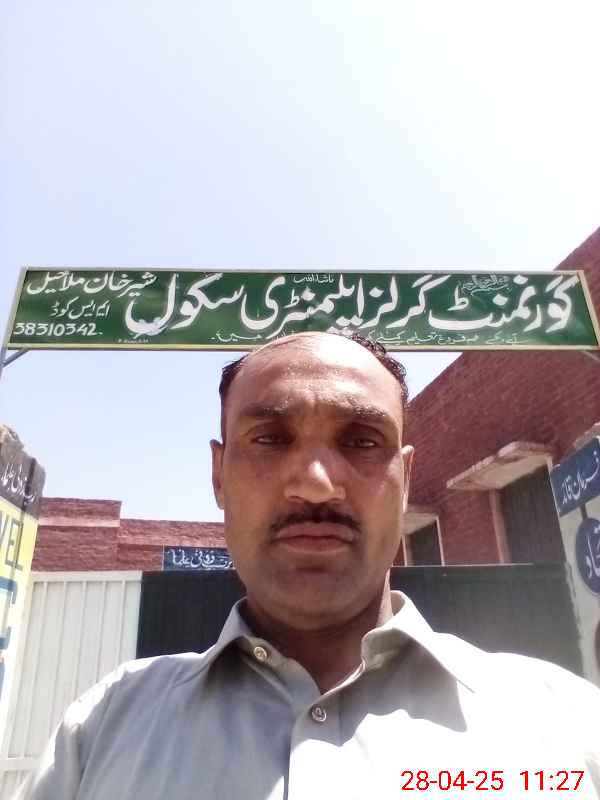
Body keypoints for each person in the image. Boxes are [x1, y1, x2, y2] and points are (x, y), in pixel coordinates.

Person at [14, 332, 600, 800]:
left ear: (406, 479)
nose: (316, 485)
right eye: (270, 439)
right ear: (218, 476)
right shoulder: (101, 731)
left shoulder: (568, 726)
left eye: (361, 441)